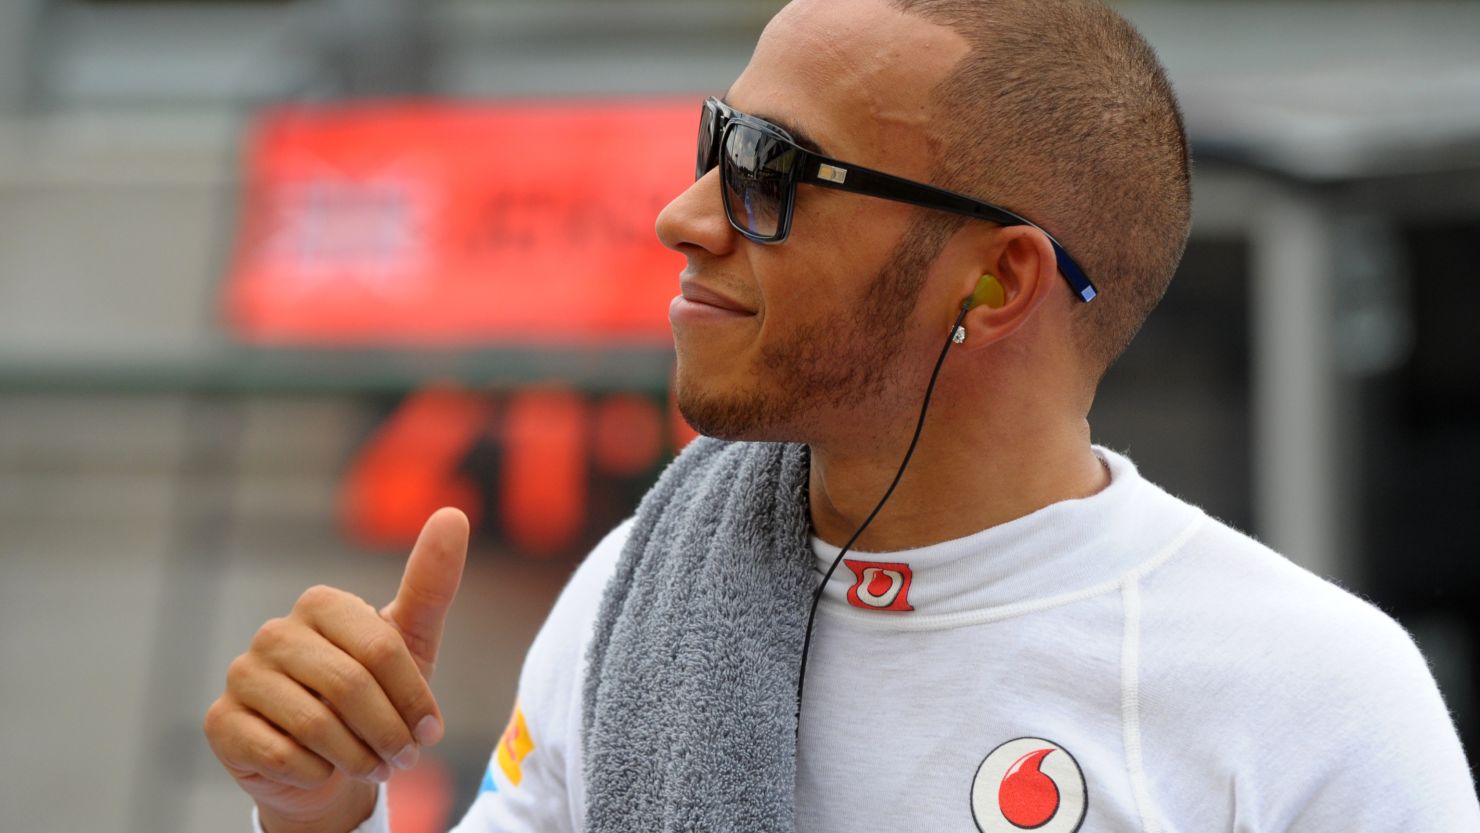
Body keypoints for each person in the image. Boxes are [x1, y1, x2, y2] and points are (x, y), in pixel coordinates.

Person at [204, 0, 1480, 830]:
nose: (688, 215)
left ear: (996, 279)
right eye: (715, 143)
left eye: (771, 172)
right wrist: (324, 808)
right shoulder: (640, 596)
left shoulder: (1312, 694)